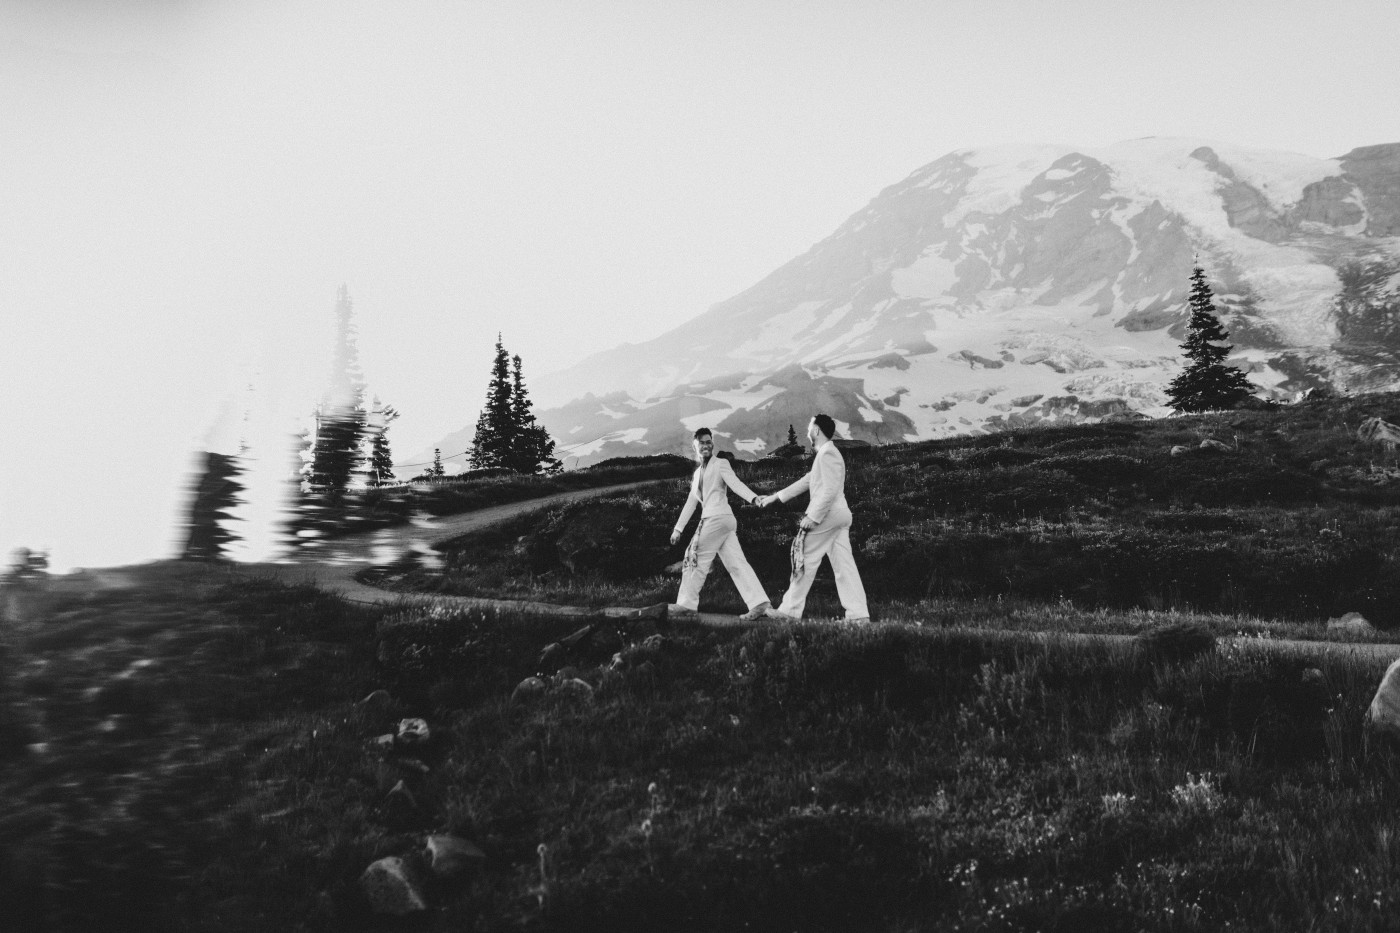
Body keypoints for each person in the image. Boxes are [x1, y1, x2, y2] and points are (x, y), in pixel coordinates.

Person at [757, 414, 870, 623]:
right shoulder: (826, 454)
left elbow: (829, 490)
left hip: (829, 515)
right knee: (844, 566)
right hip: (839, 516)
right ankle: (858, 616)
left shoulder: (828, 454)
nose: (808, 431)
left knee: (804, 558)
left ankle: (789, 612)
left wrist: (814, 517)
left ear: (816, 430)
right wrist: (775, 497)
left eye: (810, 427)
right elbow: (808, 480)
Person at [670, 427, 773, 621]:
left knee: (693, 556)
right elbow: (691, 502)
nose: (706, 445)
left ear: (713, 444)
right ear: (695, 446)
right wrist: (678, 529)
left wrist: (754, 498)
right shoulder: (697, 474)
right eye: (702, 442)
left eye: (709, 442)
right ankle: (760, 603)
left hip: (716, 518)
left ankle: (685, 605)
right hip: (723, 522)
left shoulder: (721, 463)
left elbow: (735, 483)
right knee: (737, 564)